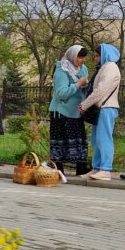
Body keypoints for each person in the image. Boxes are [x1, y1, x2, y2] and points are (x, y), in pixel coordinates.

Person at [77, 44, 121, 180]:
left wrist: (85, 105)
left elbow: (100, 91)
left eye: (97, 55)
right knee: (96, 140)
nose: (95, 58)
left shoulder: (111, 68)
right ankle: (96, 168)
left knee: (104, 139)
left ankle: (105, 169)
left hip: (106, 107)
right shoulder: (104, 68)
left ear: (105, 55)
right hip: (101, 108)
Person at [48, 45, 91, 176]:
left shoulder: (83, 69)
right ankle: (59, 169)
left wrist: (86, 87)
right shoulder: (62, 69)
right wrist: (78, 84)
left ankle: (81, 167)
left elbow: (84, 89)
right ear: (72, 56)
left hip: (76, 111)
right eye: (79, 57)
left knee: (79, 140)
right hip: (61, 111)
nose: (82, 60)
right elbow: (61, 93)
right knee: (60, 141)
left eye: (84, 57)